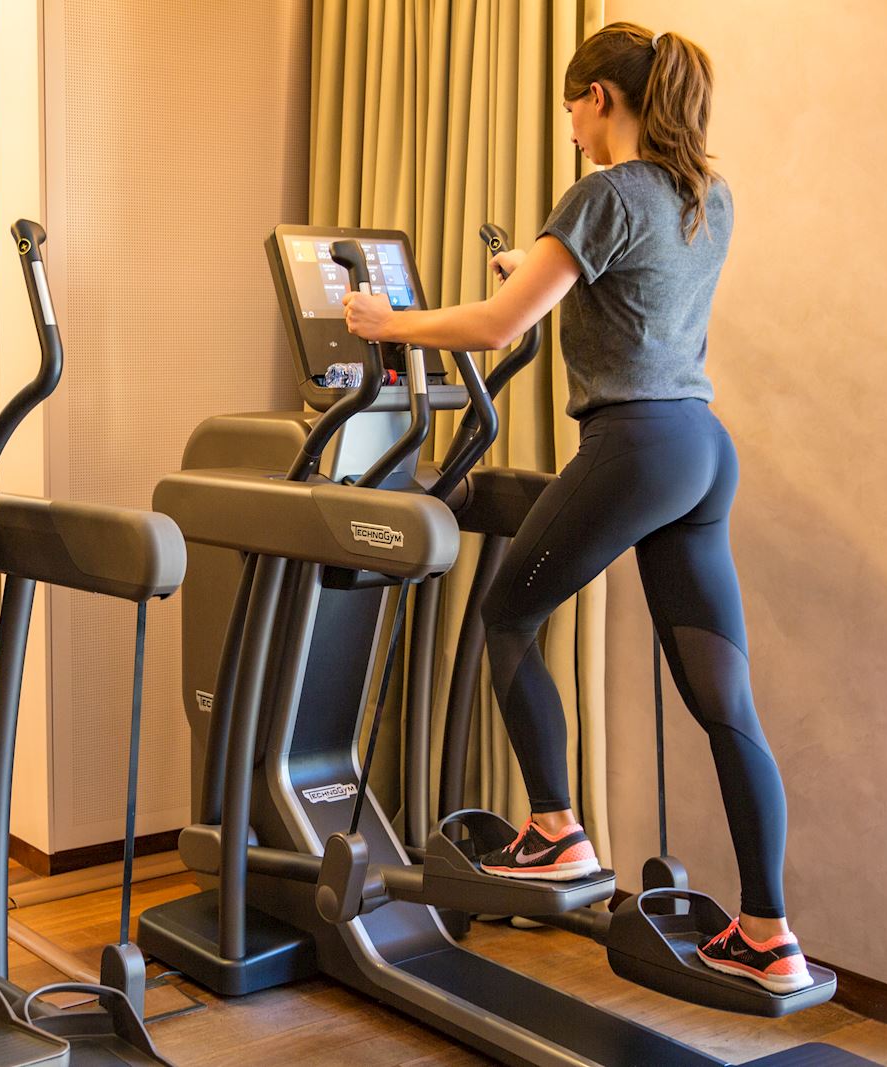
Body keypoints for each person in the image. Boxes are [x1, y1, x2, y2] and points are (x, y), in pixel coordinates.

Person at [341, 22, 810, 995]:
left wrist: (388, 324)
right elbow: (639, 296)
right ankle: (769, 930)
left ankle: (552, 828)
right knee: (726, 704)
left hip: (634, 445)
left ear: (598, 96)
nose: (567, 128)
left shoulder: (601, 192)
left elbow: (495, 326)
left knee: (506, 614)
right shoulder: (704, 195)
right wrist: (545, 268)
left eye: (569, 107)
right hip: (698, 450)